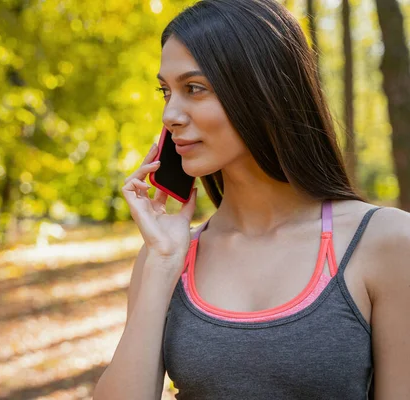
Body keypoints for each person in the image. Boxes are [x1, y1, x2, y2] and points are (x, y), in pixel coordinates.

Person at [92, 0, 410, 399]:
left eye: (194, 88)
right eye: (165, 91)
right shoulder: (169, 256)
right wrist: (160, 265)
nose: (170, 114)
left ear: (263, 90)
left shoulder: (386, 241)